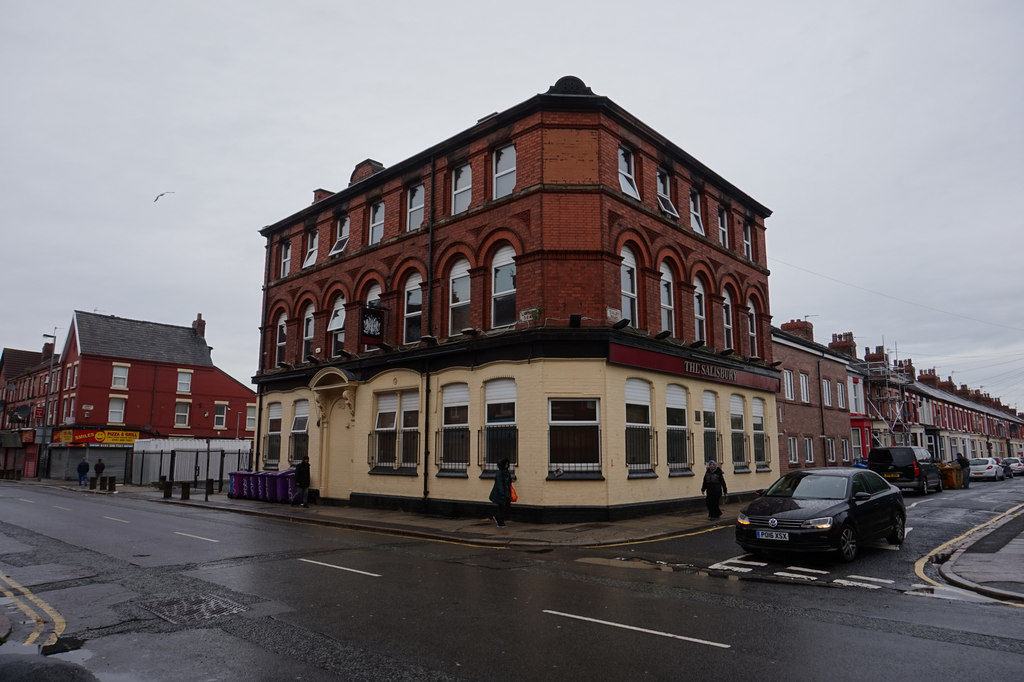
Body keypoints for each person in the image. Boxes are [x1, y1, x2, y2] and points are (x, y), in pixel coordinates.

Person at [489, 458, 514, 528]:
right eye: (505, 464)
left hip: (506, 493)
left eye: (507, 464)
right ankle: (500, 522)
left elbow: (508, 481)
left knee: (505, 507)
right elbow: (499, 484)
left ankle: (498, 518)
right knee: (501, 508)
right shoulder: (499, 473)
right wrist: (502, 493)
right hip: (501, 494)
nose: (506, 465)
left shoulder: (507, 472)